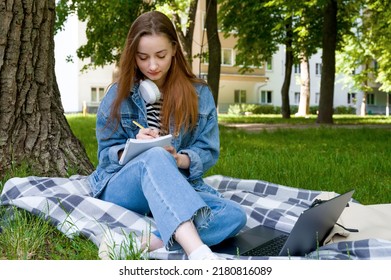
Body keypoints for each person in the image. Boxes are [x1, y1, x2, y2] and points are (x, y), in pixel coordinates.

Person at [88, 10, 247, 260]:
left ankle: (140, 243)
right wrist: (132, 146)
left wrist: (179, 160)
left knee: (234, 216)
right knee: (154, 157)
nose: (152, 65)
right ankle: (198, 254)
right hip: (124, 185)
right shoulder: (118, 94)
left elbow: (207, 150)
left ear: (174, 49)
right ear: (133, 56)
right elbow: (106, 152)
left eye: (160, 56)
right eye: (143, 57)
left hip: (173, 184)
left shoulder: (199, 94)